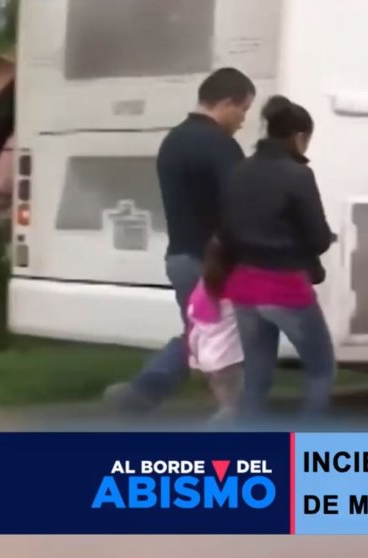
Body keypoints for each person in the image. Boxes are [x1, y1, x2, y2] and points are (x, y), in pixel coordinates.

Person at [103, 68, 256, 412]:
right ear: (227, 103)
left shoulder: (172, 141)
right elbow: (241, 204)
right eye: (243, 109)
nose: (243, 120)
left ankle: (142, 392)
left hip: (180, 258)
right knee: (230, 337)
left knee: (199, 333)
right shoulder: (222, 146)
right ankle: (235, 416)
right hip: (215, 261)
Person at [219, 95, 337, 420]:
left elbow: (227, 230)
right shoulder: (298, 175)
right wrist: (324, 239)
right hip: (284, 285)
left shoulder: (239, 170)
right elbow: (317, 238)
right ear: (298, 136)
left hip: (244, 284)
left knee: (257, 374)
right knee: (321, 369)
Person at [185, 237, 243, 423]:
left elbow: (194, 330)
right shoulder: (235, 292)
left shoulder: (201, 290)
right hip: (229, 359)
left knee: (226, 402)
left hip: (208, 359)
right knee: (233, 407)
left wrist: (194, 359)